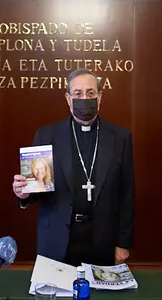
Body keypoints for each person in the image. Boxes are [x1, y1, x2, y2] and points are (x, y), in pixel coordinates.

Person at [11, 69, 135, 267]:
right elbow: (37, 189)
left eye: (90, 93)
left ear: (100, 97)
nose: (84, 98)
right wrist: (24, 194)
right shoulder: (47, 136)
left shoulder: (120, 138)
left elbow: (127, 194)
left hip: (103, 241)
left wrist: (123, 243)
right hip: (57, 240)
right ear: (68, 99)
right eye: (78, 93)